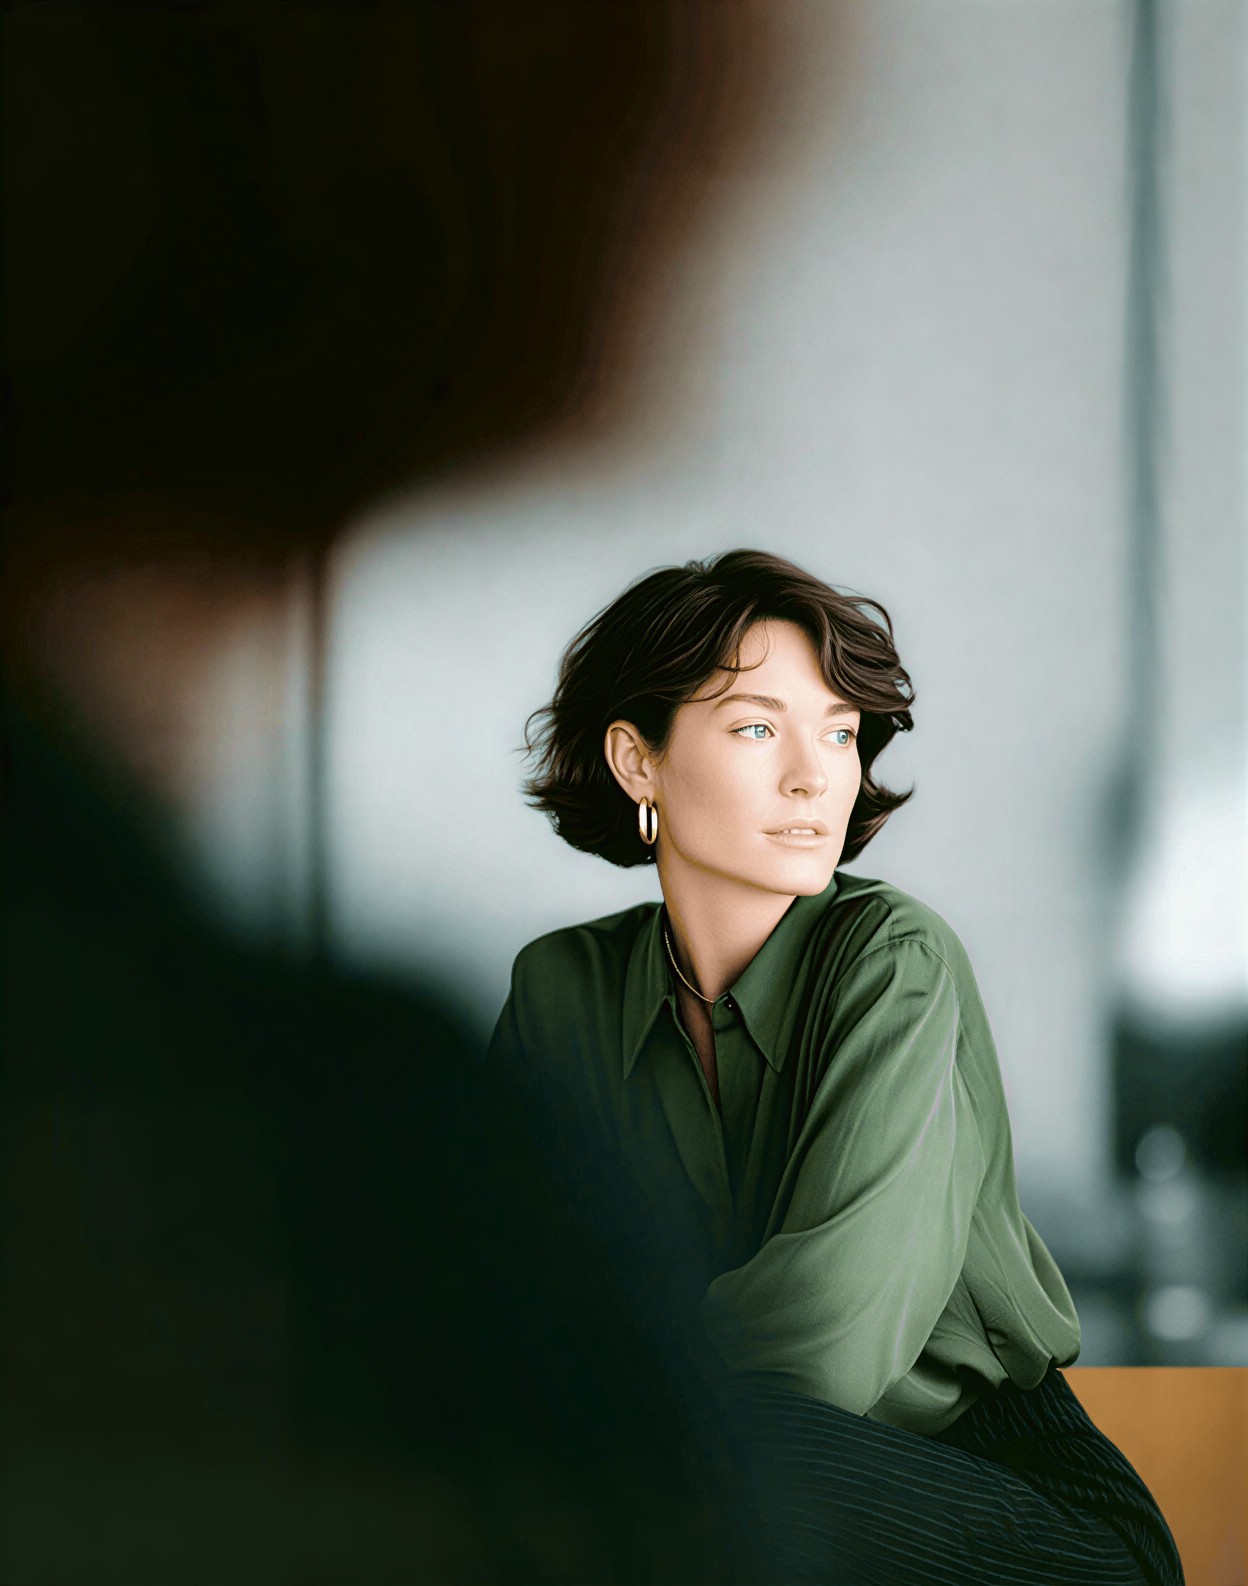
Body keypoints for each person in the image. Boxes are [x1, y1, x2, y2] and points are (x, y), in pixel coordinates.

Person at [485, 547, 1186, 1586]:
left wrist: (578, 1394)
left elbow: (825, 1342)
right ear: (638, 761)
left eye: (843, 732)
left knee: (676, 1454)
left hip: (1014, 1506)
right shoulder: (563, 987)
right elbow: (490, 1288)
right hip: (712, 1482)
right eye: (758, 726)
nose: (817, 774)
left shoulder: (895, 959)